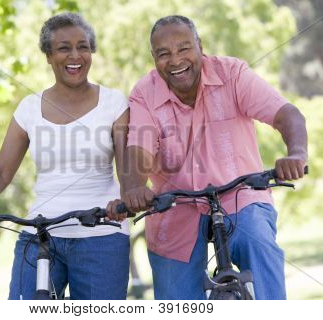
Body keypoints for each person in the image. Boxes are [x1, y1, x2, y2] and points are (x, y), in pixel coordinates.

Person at [111, 15, 308, 300]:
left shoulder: (232, 73)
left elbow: (286, 114)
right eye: (163, 54)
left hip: (240, 195)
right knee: (175, 297)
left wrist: (297, 154)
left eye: (183, 48)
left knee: (259, 242)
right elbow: (138, 151)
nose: (175, 60)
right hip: (174, 205)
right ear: (153, 58)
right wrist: (133, 189)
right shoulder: (144, 93)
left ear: (199, 46)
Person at [0, 13, 130, 300]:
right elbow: (1, 172)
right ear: (48, 55)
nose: (75, 55)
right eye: (64, 48)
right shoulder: (29, 108)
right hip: (40, 232)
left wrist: (126, 198)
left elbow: (128, 169)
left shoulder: (114, 103)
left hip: (102, 235)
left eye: (83, 47)